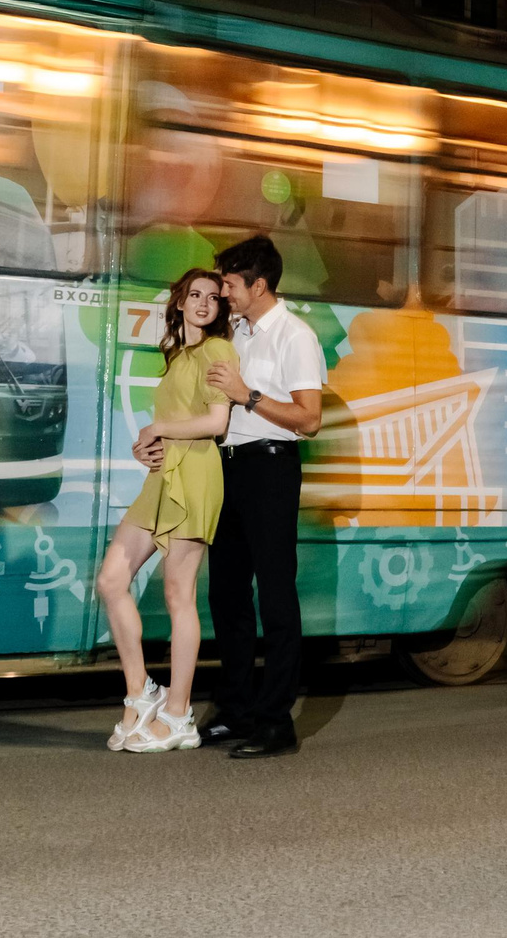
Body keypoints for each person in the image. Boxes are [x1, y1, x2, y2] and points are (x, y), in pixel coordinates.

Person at [92, 267, 235, 753]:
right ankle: (140, 692)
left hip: (196, 476)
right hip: (162, 475)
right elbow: (171, 422)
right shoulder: (177, 356)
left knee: (179, 597)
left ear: (220, 308)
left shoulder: (218, 350)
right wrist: (146, 444)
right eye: (194, 295)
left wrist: (159, 431)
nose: (202, 303)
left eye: (213, 298)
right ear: (179, 302)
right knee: (112, 579)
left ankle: (178, 715)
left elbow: (217, 422)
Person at [200, 234, 325, 757]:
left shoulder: (295, 337)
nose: (224, 292)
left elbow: (309, 419)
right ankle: (237, 710)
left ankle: (276, 723)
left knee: (274, 598)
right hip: (228, 468)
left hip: (271, 470)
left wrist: (247, 395)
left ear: (259, 284)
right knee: (226, 596)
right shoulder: (240, 333)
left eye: (229, 284)